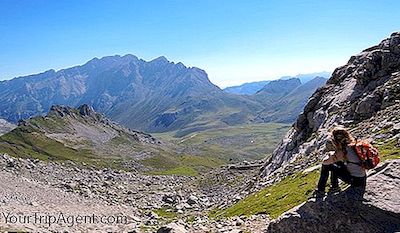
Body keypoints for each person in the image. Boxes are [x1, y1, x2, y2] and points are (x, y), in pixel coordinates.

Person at [314, 127, 367, 199]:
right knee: (337, 164)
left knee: (328, 166)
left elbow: (325, 162)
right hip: (362, 178)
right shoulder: (353, 145)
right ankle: (334, 187)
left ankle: (321, 190)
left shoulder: (341, 151)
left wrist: (330, 155)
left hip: (356, 182)